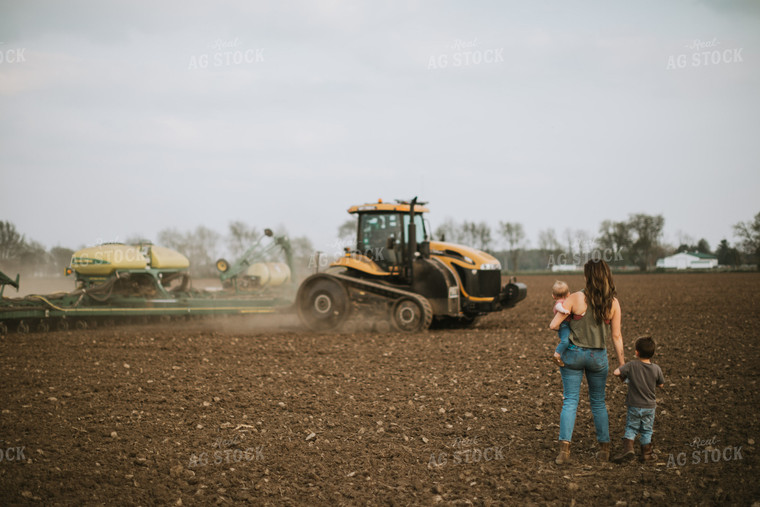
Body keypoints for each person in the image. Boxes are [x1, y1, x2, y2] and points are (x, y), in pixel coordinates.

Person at [549, 259, 625, 464]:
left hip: (572, 355)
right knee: (599, 403)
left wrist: (567, 319)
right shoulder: (613, 303)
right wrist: (622, 365)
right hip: (597, 357)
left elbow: (555, 325)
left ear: (587, 277)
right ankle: (604, 450)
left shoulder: (576, 297)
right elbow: (616, 336)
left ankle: (564, 451)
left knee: (570, 401)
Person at [611, 336, 665, 463]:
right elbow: (661, 385)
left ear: (636, 352)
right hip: (649, 407)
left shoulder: (632, 365)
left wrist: (624, 370)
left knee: (631, 427)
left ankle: (628, 450)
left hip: (634, 405)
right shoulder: (656, 368)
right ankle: (647, 454)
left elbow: (616, 373)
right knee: (647, 430)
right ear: (653, 353)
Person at [550, 280, 572, 367]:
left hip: (568, 324)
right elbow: (558, 307)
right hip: (564, 325)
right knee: (565, 341)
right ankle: (556, 355)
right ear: (568, 294)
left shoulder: (567, 301)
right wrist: (564, 310)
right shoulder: (560, 303)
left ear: (553, 296)